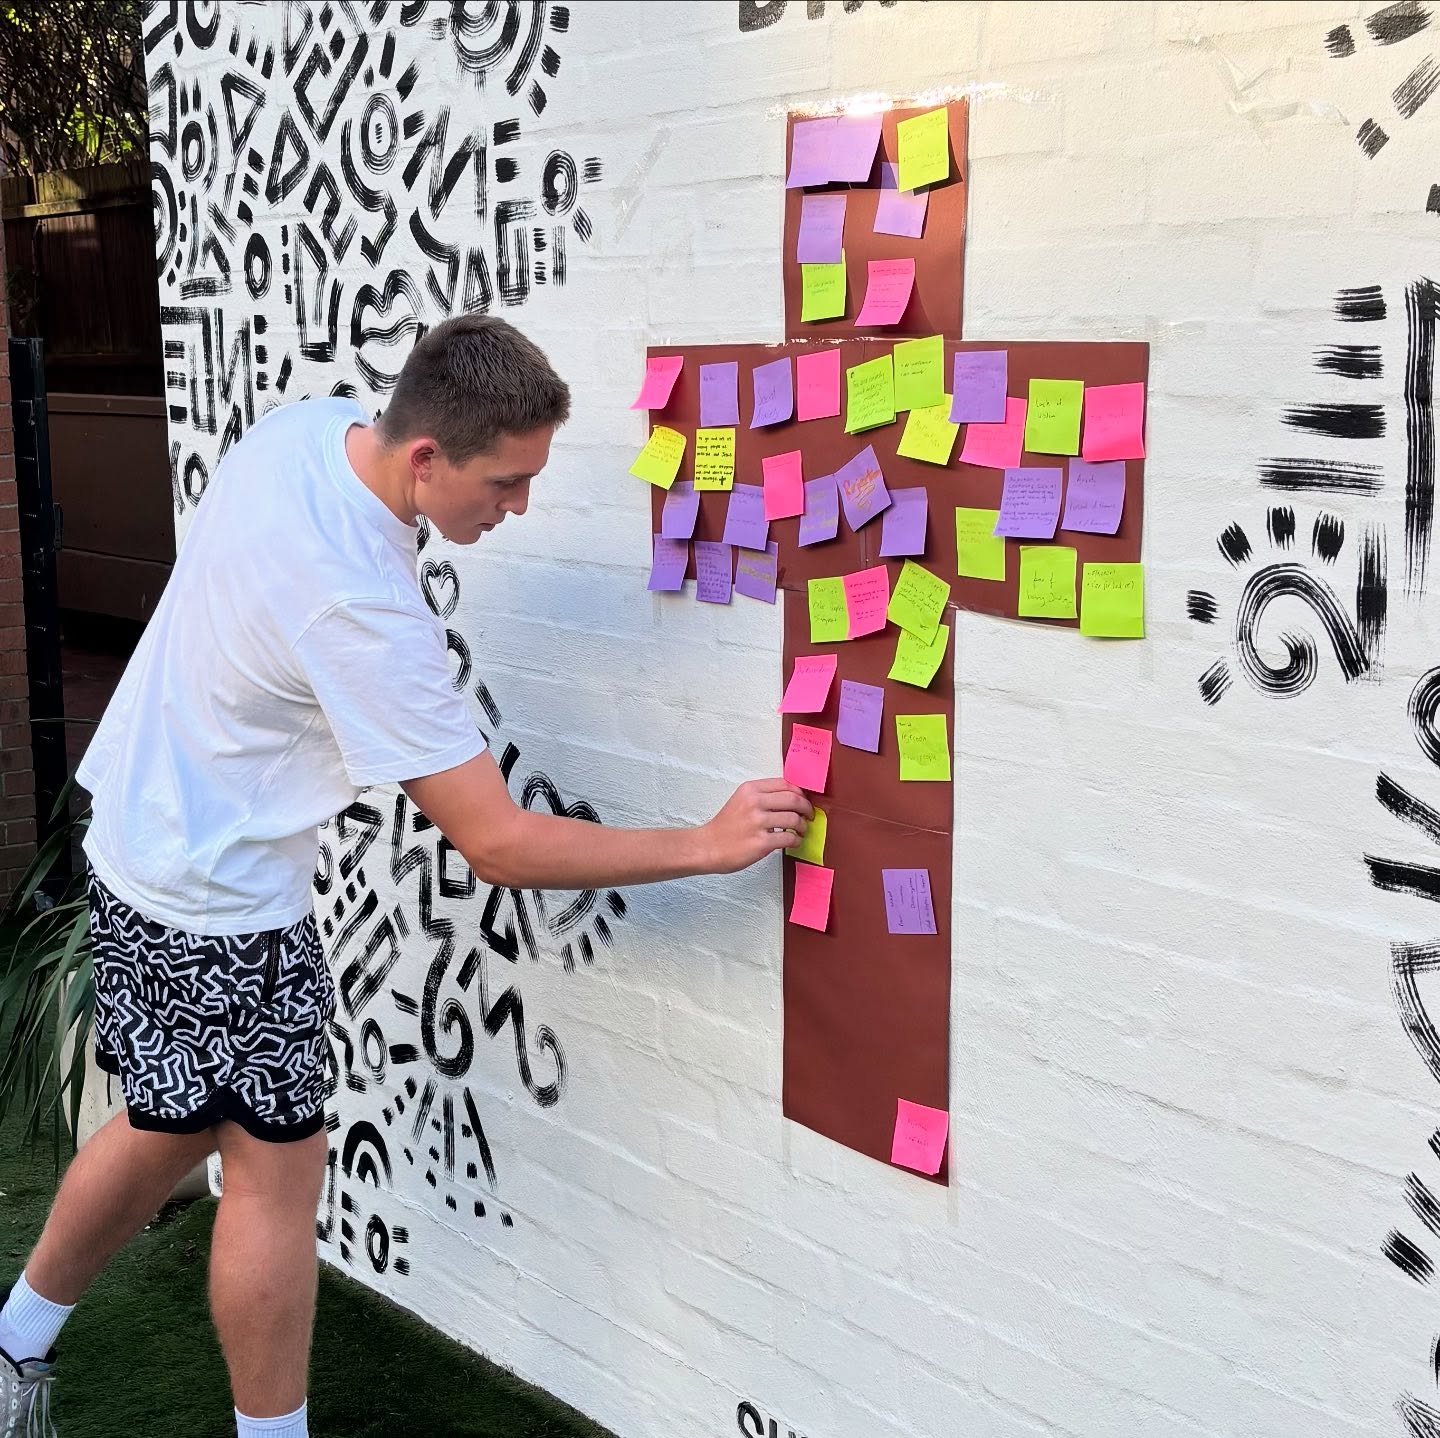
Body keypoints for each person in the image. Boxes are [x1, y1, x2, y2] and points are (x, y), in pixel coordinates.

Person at [0, 315, 813, 1438]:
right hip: (220, 906)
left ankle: (14, 1340)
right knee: (276, 1175)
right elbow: (498, 843)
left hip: (135, 849)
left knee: (169, 1119)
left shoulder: (306, 433)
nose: (518, 506)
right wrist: (705, 843)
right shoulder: (361, 610)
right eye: (506, 481)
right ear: (427, 456)